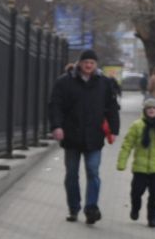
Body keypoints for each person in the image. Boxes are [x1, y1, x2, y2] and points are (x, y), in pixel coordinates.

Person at [47, 48, 121, 225]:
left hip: (94, 137)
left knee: (93, 171)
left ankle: (91, 208)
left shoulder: (104, 83)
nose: (88, 65)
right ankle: (74, 208)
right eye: (86, 62)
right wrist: (57, 126)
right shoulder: (64, 82)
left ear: (96, 65)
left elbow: (112, 108)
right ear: (79, 63)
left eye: (92, 63)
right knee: (72, 174)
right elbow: (55, 105)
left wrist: (114, 129)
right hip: (71, 136)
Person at [116, 96, 155, 227]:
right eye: (148, 108)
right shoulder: (137, 125)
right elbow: (127, 145)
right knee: (136, 192)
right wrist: (122, 163)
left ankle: (153, 217)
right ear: (144, 110)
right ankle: (135, 208)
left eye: (154, 108)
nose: (151, 110)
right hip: (140, 168)